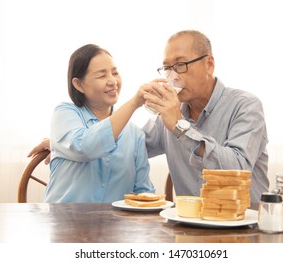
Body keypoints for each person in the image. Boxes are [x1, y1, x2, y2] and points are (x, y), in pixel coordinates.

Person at [29, 30, 269, 209]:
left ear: (209, 64)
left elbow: (238, 170)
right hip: (190, 225)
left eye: (181, 65)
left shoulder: (245, 106)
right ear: (78, 84)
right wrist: (64, 142)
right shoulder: (169, 116)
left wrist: (180, 127)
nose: (172, 75)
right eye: (167, 68)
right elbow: (125, 144)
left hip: (245, 224)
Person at [38, 44, 154, 203]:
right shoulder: (64, 113)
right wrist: (134, 103)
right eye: (101, 75)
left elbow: (144, 192)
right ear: (79, 84)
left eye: (115, 73)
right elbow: (84, 147)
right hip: (65, 223)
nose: (113, 81)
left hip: (116, 226)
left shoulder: (135, 134)